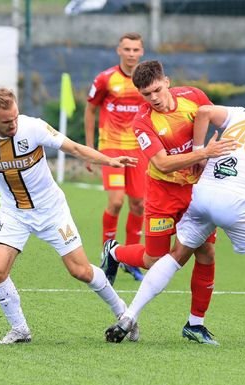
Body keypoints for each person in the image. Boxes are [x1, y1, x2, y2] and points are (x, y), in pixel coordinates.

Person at [105, 95, 245, 345]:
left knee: (176, 255)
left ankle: (129, 316)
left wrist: (199, 152)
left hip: (201, 193)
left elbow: (204, 111)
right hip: (235, 202)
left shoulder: (243, 112)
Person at [0, 88, 139, 345]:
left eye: (15, 116)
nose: (13, 124)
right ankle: (20, 330)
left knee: (80, 270)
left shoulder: (34, 127)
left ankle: (124, 313)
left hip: (52, 211)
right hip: (13, 212)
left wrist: (108, 160)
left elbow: (73, 147)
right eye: (7, 121)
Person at [101, 60, 237, 345]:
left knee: (206, 252)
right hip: (162, 194)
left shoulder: (193, 97)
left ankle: (195, 324)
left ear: (167, 81)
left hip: (196, 193)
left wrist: (214, 150)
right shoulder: (143, 122)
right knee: (154, 260)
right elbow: (162, 164)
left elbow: (219, 120)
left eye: (157, 90)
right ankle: (114, 252)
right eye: (146, 94)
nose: (154, 98)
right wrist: (203, 154)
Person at [84, 32, 147, 281]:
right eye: (127, 49)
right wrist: (90, 150)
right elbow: (90, 110)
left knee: (139, 204)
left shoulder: (147, 80)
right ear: (118, 51)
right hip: (111, 147)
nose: (131, 54)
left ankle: (131, 259)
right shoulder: (105, 79)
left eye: (135, 49)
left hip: (139, 149)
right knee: (117, 202)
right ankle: (107, 253)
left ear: (142, 52)